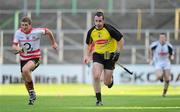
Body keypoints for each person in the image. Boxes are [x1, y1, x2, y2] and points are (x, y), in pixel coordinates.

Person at [12, 16, 58, 105]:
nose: (24, 27)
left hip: (35, 57)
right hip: (23, 59)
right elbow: (14, 46)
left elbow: (48, 31)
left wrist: (53, 43)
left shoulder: (37, 32)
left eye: (26, 25)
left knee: (26, 70)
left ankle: (32, 92)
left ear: (30, 25)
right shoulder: (18, 33)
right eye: (22, 25)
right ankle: (31, 96)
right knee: (25, 79)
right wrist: (20, 48)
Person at [83, 10, 124, 106]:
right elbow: (87, 44)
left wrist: (117, 53)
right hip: (98, 55)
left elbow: (121, 40)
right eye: (96, 21)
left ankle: (110, 80)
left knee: (106, 82)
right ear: (94, 21)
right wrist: (86, 55)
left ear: (103, 21)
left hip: (109, 56)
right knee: (96, 76)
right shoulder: (91, 31)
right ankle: (98, 100)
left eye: (100, 21)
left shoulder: (109, 29)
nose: (98, 23)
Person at [147, 33, 174, 97]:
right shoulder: (155, 44)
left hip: (166, 62)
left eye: (163, 37)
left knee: (167, 79)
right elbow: (149, 49)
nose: (162, 39)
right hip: (158, 62)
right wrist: (150, 58)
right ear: (159, 38)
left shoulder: (169, 46)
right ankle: (161, 77)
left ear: (165, 38)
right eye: (160, 37)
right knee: (159, 76)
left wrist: (172, 57)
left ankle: (164, 92)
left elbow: (171, 54)